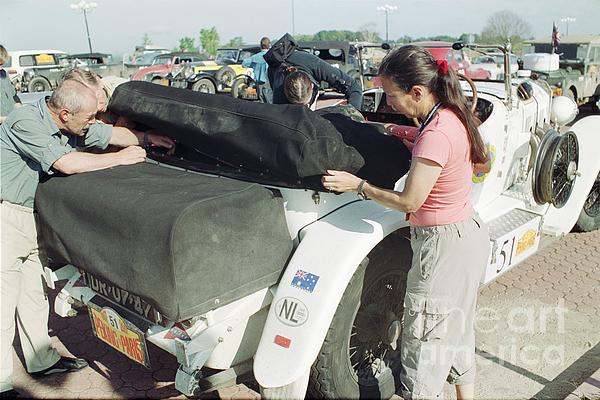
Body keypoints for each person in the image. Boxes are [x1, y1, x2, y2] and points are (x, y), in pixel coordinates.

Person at [321, 45, 491, 400]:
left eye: (391, 95)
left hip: (443, 247)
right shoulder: (451, 115)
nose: (388, 103)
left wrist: (359, 186)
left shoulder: (436, 134)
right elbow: (479, 161)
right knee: (455, 331)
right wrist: (404, 134)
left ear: (417, 92)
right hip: (468, 237)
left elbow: (409, 201)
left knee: (425, 345)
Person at [0, 79, 172, 398]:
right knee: (2, 300)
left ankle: (42, 361)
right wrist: (120, 158)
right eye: (90, 117)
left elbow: (111, 134)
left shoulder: (72, 124)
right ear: (65, 113)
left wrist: (148, 138)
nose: (94, 122)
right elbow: (66, 163)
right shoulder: (25, 121)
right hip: (5, 217)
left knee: (34, 295)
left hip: (31, 216)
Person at [264, 33, 363, 110]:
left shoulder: (312, 63)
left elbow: (354, 87)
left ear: (312, 86)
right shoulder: (278, 97)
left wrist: (351, 119)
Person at [241, 37, 272, 103]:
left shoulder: (255, 57)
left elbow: (244, 64)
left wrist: (253, 65)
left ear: (261, 46)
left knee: (261, 102)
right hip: (271, 84)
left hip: (259, 84)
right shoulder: (273, 56)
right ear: (269, 45)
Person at [0, 44, 22, 125]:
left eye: (2, 64)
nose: (1, 68)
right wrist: (2, 119)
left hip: (9, 122)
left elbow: (13, 95)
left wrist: (20, 108)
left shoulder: (3, 74)